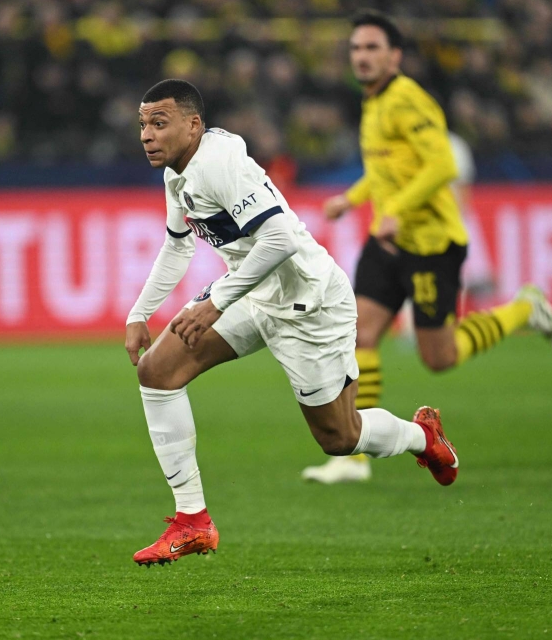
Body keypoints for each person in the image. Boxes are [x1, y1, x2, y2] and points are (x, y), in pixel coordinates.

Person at [125, 79, 462, 567]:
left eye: (159, 123)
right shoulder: (177, 175)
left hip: (309, 303)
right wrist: (140, 312)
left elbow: (280, 237)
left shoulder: (220, 164)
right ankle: (192, 521)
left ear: (193, 124)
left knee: (339, 438)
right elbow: (178, 244)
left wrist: (215, 301)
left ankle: (421, 438)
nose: (147, 135)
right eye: (142, 124)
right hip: (253, 292)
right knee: (156, 372)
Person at [302, 11, 552, 485]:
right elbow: (387, 169)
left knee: (438, 357)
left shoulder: (409, 99)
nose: (362, 57)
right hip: (389, 241)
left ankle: (524, 310)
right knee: (359, 333)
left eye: (372, 48)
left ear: (395, 56)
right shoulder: (373, 102)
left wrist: (399, 208)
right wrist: (354, 198)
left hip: (430, 242)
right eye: (356, 49)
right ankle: (354, 456)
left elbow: (443, 164)